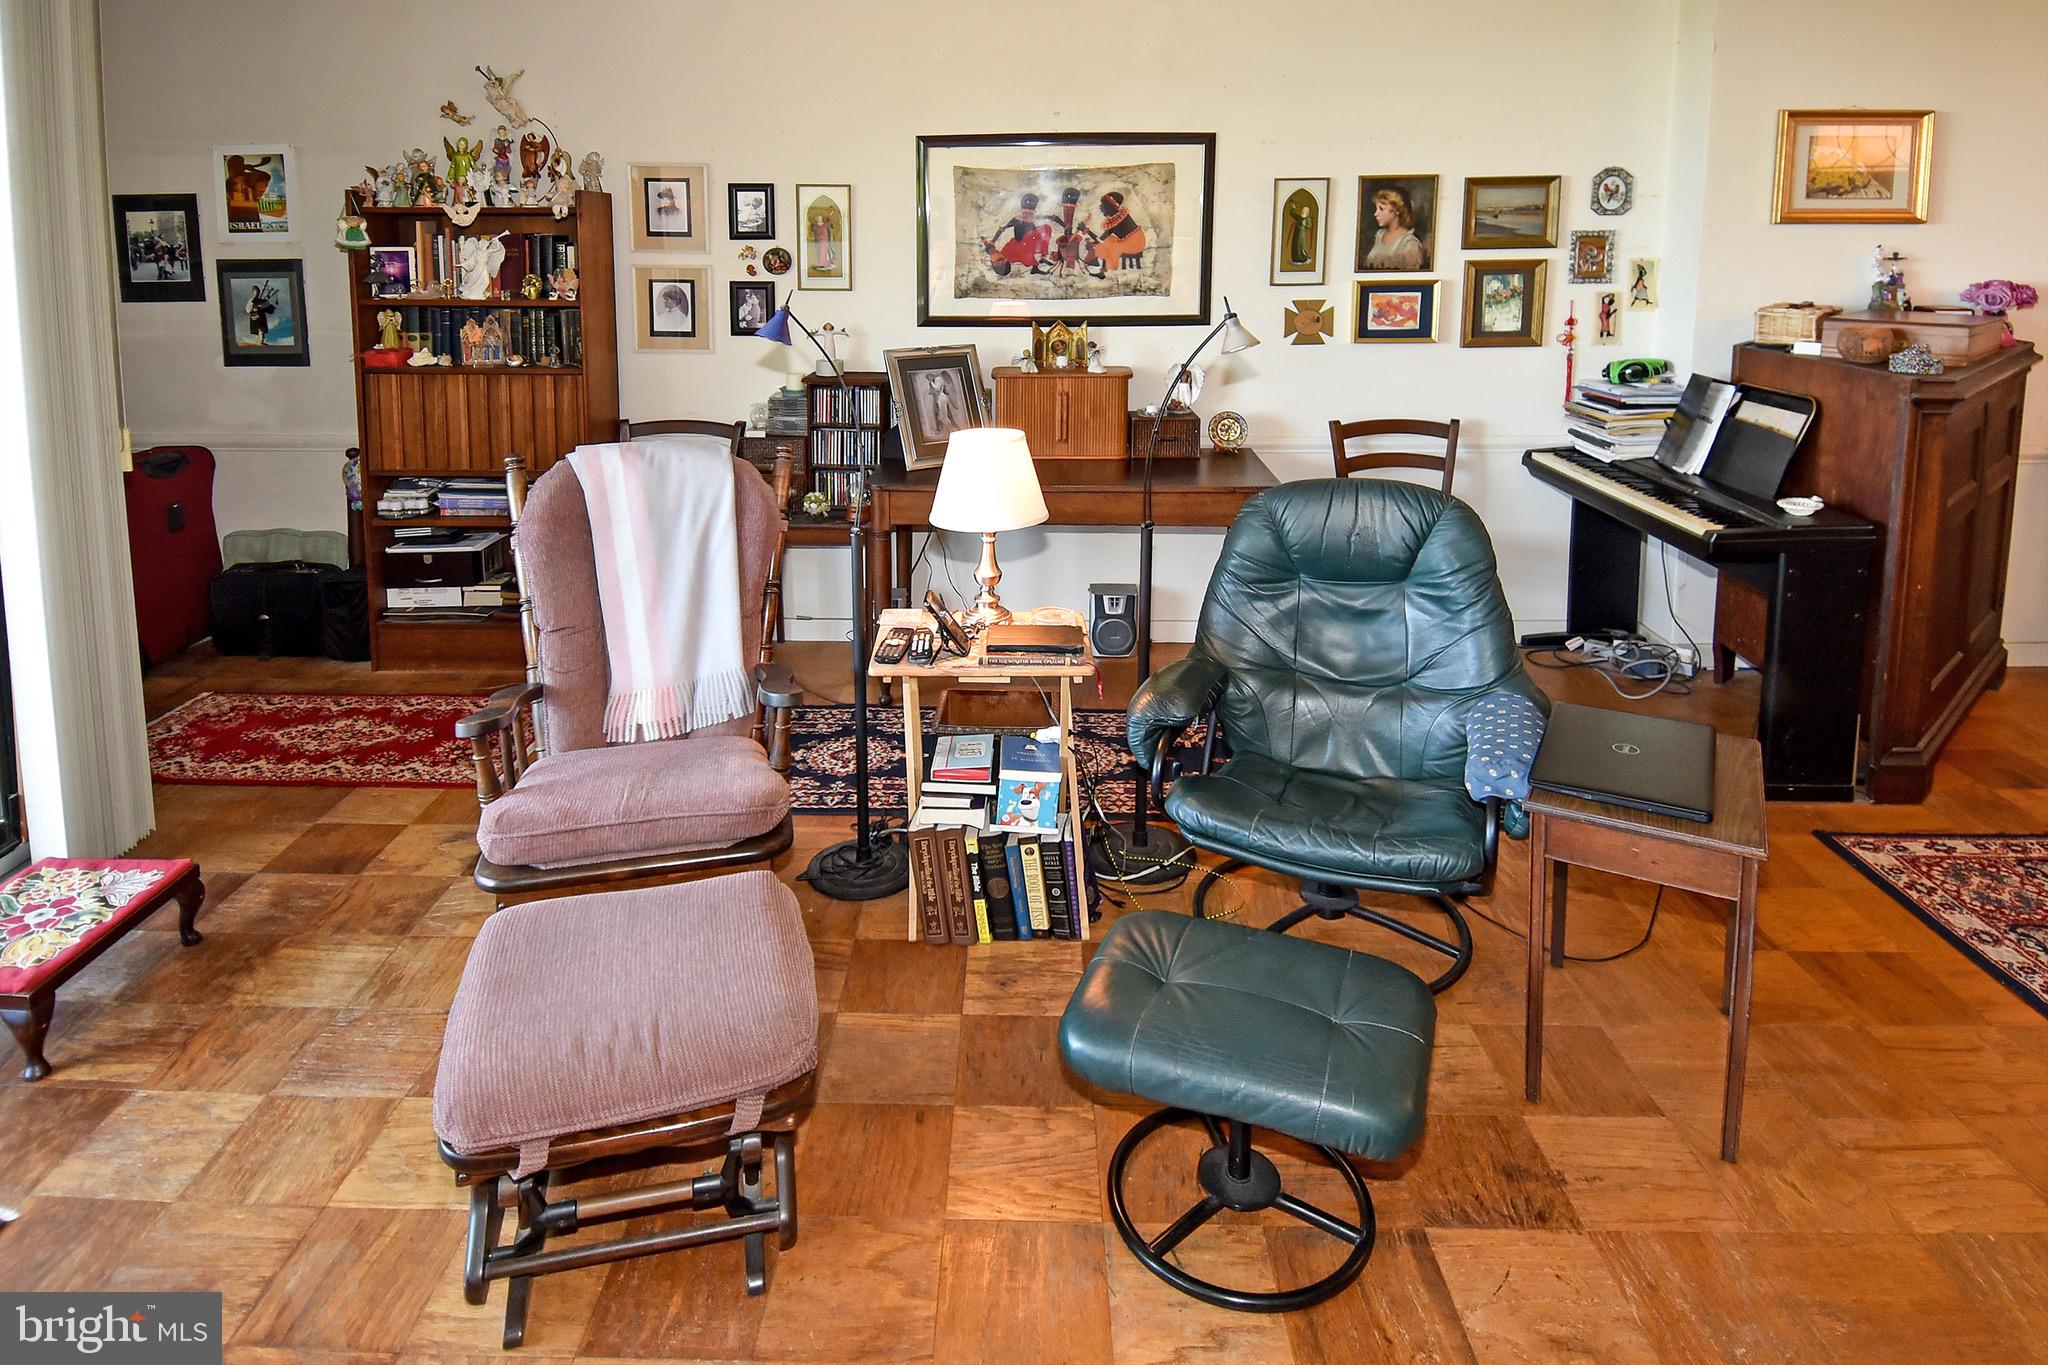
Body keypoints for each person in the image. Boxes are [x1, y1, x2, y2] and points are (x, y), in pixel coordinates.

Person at [1362, 187, 1428, 270]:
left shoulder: (1410, 243)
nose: (1376, 214)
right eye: (1376, 209)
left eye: (1381, 209)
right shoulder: (1379, 235)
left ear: (1397, 210)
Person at [918, 372, 966, 441]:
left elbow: (937, 389)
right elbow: (930, 392)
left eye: (929, 378)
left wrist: (932, 383)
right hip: (938, 399)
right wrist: (930, 385)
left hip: (942, 398)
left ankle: (952, 431)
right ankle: (951, 431)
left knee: (943, 417)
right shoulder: (934, 381)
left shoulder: (938, 379)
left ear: (931, 375)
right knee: (940, 417)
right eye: (928, 379)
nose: (929, 379)